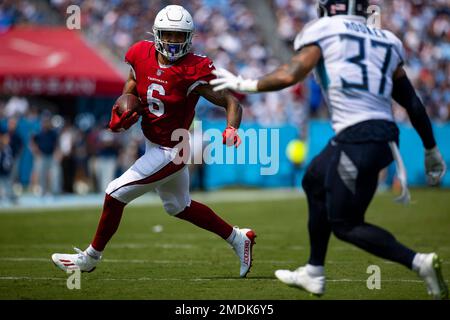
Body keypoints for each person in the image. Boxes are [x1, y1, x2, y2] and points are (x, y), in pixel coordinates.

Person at [210, 0, 447, 299]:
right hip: (380, 135)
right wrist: (431, 149)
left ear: (329, 8)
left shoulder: (324, 30)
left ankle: (419, 262)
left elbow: (290, 74)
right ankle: (314, 271)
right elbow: (411, 101)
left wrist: (246, 83)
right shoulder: (387, 39)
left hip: (360, 137)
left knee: (347, 225)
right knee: (313, 179)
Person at [52, 5, 256, 278]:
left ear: (189, 37)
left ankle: (89, 258)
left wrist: (232, 128)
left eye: (178, 35)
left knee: (114, 193)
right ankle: (237, 238)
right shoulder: (140, 53)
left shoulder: (194, 68)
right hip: (153, 142)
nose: (173, 41)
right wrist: (124, 108)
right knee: (178, 206)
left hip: (173, 149)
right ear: (158, 34)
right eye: (168, 35)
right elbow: (132, 82)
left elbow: (232, 101)